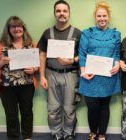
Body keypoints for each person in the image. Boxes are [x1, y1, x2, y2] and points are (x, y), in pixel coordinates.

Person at [0, 16, 38, 140]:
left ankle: (27, 136)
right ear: (8, 29)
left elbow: (38, 64)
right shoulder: (0, 45)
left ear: (23, 28)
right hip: (6, 87)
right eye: (13, 26)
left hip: (27, 86)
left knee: (27, 112)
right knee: (11, 115)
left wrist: (34, 69)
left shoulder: (31, 44)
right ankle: (13, 137)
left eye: (19, 26)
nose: (17, 29)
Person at [37, 1, 81, 140]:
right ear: (54, 13)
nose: (61, 14)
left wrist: (73, 60)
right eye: (58, 11)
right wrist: (42, 76)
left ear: (69, 13)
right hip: (51, 74)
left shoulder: (78, 33)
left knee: (69, 108)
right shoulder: (47, 33)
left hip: (71, 75)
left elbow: (84, 55)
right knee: (53, 108)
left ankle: (68, 133)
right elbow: (42, 54)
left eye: (64, 11)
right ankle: (56, 133)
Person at [78, 2, 121, 140]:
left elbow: (117, 54)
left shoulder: (115, 34)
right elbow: (82, 53)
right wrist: (83, 71)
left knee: (104, 107)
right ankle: (92, 132)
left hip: (108, 76)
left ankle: (102, 134)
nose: (102, 18)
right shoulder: (87, 33)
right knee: (92, 108)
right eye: (99, 16)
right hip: (90, 76)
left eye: (104, 15)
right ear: (95, 17)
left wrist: (117, 64)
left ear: (108, 17)